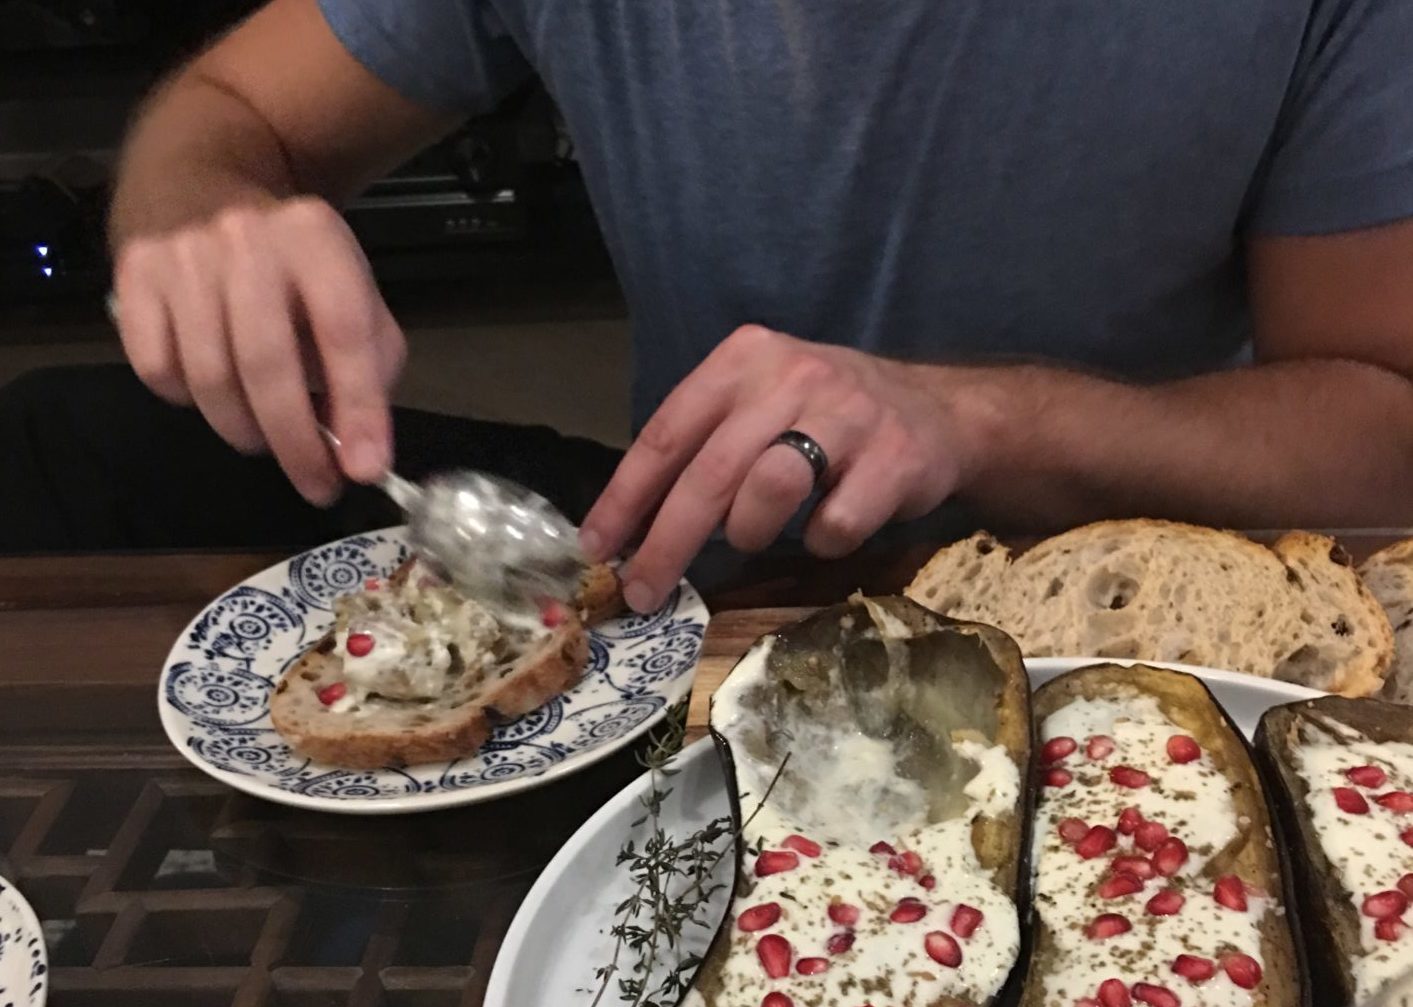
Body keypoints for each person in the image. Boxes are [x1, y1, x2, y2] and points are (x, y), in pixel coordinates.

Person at [14, 0, 1413, 598]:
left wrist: (981, 416)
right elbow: (227, 105)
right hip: (702, 581)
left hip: (1113, 605)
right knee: (59, 448)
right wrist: (203, 212)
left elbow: (1380, 430)